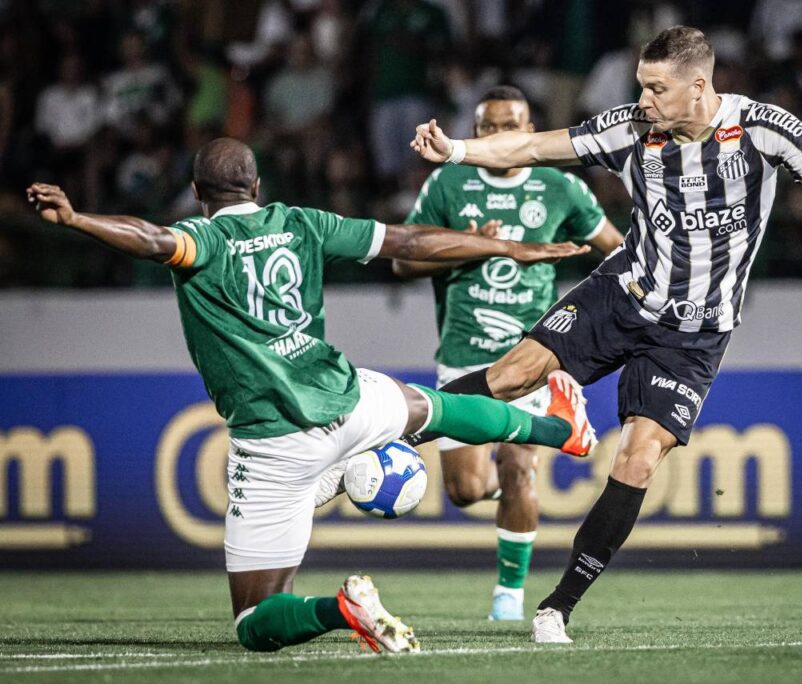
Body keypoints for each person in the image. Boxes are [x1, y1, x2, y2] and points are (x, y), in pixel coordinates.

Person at [410, 25, 802, 643]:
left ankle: (557, 607)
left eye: (656, 89)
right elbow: (535, 147)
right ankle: (383, 432)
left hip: (695, 334)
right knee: (512, 374)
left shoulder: (764, 130)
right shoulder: (632, 129)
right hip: (623, 294)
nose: (644, 101)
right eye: (641, 87)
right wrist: (458, 151)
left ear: (698, 87)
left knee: (639, 458)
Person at [25, 137, 597, 655]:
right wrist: (496, 248)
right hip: (348, 399)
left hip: (274, 443)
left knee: (253, 621)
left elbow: (151, 239)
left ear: (197, 192)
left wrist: (78, 218)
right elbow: (406, 239)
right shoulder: (303, 223)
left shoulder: (202, 238)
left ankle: (340, 609)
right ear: (256, 187)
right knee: (439, 409)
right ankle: (558, 429)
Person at [393, 86, 623, 621]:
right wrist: (462, 242)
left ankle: (508, 599)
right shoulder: (448, 182)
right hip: (463, 353)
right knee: (467, 489)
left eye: (512, 125)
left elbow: (618, 248)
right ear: (475, 134)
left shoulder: (559, 186)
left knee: (521, 466)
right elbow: (403, 263)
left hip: (533, 355)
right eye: (490, 127)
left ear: (530, 129)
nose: (501, 136)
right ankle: (500, 465)